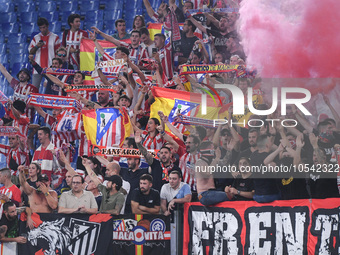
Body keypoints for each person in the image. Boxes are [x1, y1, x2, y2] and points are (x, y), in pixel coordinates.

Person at [28, 17, 61, 88]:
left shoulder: (55, 37)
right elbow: (31, 52)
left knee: (51, 89)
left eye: (44, 27)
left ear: (48, 26)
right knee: (34, 89)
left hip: (51, 68)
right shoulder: (36, 38)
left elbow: (58, 54)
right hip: (37, 68)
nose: (43, 30)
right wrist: (37, 46)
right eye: (41, 28)